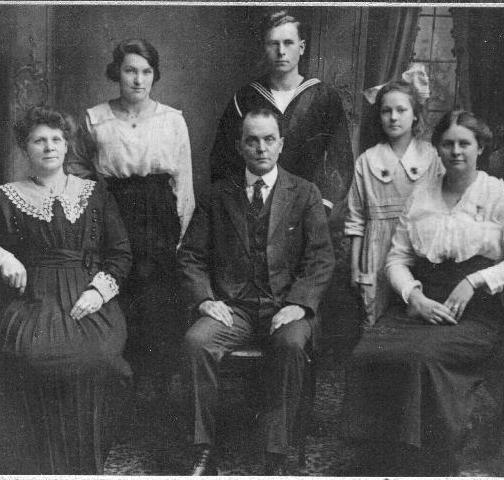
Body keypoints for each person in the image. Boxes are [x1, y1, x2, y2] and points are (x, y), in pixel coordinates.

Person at [341, 110, 504, 476]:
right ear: (438, 149)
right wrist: (413, 296)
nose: (456, 151)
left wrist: (474, 281)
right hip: (421, 304)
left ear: (481, 147)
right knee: (368, 351)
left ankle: (423, 458)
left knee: (419, 357)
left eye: (465, 143)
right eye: (448, 144)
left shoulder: (497, 194)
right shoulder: (422, 195)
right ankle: (376, 454)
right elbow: (397, 258)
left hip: (475, 312)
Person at [178, 108, 335, 475]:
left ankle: (276, 453)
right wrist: (204, 299)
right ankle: (203, 449)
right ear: (239, 146)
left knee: (292, 345)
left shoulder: (305, 193)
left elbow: (321, 259)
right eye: (252, 140)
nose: (261, 148)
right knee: (196, 343)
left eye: (268, 139)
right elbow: (191, 257)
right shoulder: (218, 195)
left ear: (281, 144)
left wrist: (299, 304)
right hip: (234, 308)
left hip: (285, 305)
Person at [0, 106, 132, 473]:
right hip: (34, 300)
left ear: (67, 145)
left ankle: (87, 459)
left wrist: (98, 291)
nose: (49, 147)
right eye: (39, 140)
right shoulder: (7, 196)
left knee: (101, 358)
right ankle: (40, 463)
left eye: (56, 139)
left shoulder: (93, 193)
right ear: (24, 149)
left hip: (87, 295)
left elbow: (120, 253)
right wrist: (3, 256)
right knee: (32, 357)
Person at [67, 38, 195, 395]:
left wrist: (185, 235)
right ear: (116, 73)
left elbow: (183, 182)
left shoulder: (172, 120)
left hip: (160, 215)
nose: (138, 80)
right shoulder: (95, 118)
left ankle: (160, 391)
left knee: (160, 299)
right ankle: (125, 389)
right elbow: (77, 171)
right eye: (130, 71)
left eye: (146, 72)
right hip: (114, 209)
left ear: (154, 75)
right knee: (121, 294)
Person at [210, 10, 353, 215]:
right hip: (255, 208)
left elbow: (340, 159)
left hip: (308, 209)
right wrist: (238, 204)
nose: (281, 51)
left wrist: (324, 205)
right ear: (264, 48)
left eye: (288, 43)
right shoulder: (245, 97)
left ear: (302, 47)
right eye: (273, 43)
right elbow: (223, 158)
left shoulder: (324, 96)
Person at [345, 80, 444, 325]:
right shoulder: (367, 161)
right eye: (386, 111)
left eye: (401, 110)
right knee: (374, 320)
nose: (393, 117)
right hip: (375, 250)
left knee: (417, 320)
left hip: (419, 248)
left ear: (415, 115)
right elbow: (356, 220)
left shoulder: (432, 156)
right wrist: (355, 268)